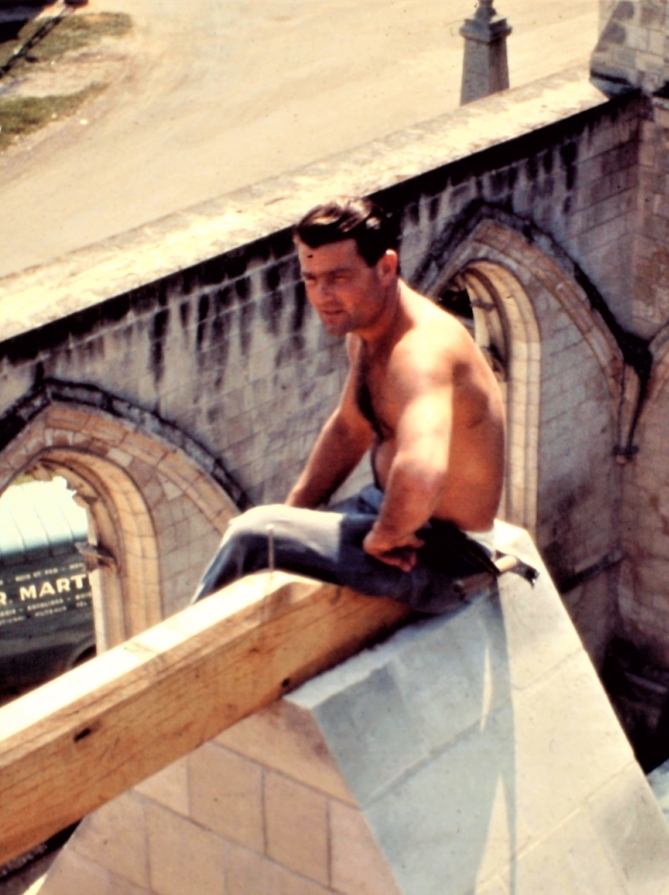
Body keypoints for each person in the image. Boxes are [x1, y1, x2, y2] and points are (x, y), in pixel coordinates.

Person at [193, 196, 532, 613]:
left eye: (338, 277)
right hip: (397, 517)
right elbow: (349, 429)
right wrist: (295, 510)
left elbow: (422, 473)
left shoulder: (419, 353)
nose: (322, 295)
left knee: (250, 536)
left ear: (386, 268)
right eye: (311, 278)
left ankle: (172, 671)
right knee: (271, 534)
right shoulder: (368, 333)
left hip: (444, 557)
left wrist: (386, 534)